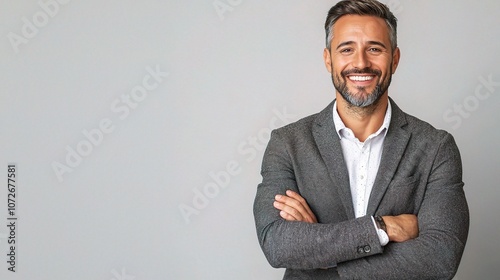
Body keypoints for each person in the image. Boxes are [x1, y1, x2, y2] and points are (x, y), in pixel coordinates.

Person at [252, 0, 469, 279]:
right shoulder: (288, 143)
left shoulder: (436, 147)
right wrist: (381, 228)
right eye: (347, 49)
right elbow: (278, 243)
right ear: (328, 59)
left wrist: (321, 256)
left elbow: (441, 258)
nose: (361, 63)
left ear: (395, 59)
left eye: (375, 49)